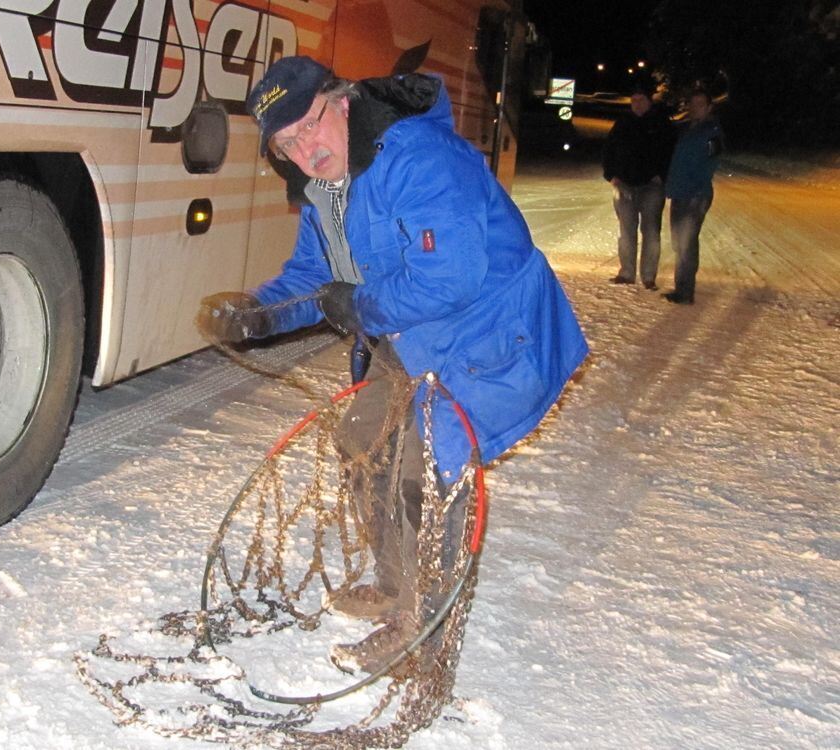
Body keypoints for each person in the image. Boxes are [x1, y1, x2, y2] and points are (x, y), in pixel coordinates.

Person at [196, 56, 588, 674]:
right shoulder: (325, 188)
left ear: (342, 100)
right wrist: (260, 314)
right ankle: (396, 583)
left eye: (310, 125)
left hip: (488, 333)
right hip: (407, 334)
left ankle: (422, 633)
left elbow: (452, 278)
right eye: (286, 143)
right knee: (363, 442)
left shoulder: (418, 158)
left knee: (425, 469)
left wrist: (360, 304)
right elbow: (316, 277)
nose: (305, 149)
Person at [601, 78, 676, 289]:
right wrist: (611, 176)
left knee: (651, 231)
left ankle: (649, 276)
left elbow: (671, 152)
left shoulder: (661, 124)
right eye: (633, 100)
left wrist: (661, 175)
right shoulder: (623, 123)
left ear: (649, 100)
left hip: (652, 187)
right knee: (626, 230)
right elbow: (608, 151)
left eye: (641, 99)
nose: (637, 104)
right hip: (624, 185)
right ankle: (626, 272)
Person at [663, 88, 724, 304]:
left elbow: (709, 165)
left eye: (700, 104)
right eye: (692, 104)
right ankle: (681, 287)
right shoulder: (687, 129)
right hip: (679, 192)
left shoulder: (712, 132)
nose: (695, 108)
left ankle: (686, 291)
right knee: (678, 243)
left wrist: (695, 188)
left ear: (708, 107)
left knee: (687, 243)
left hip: (695, 195)